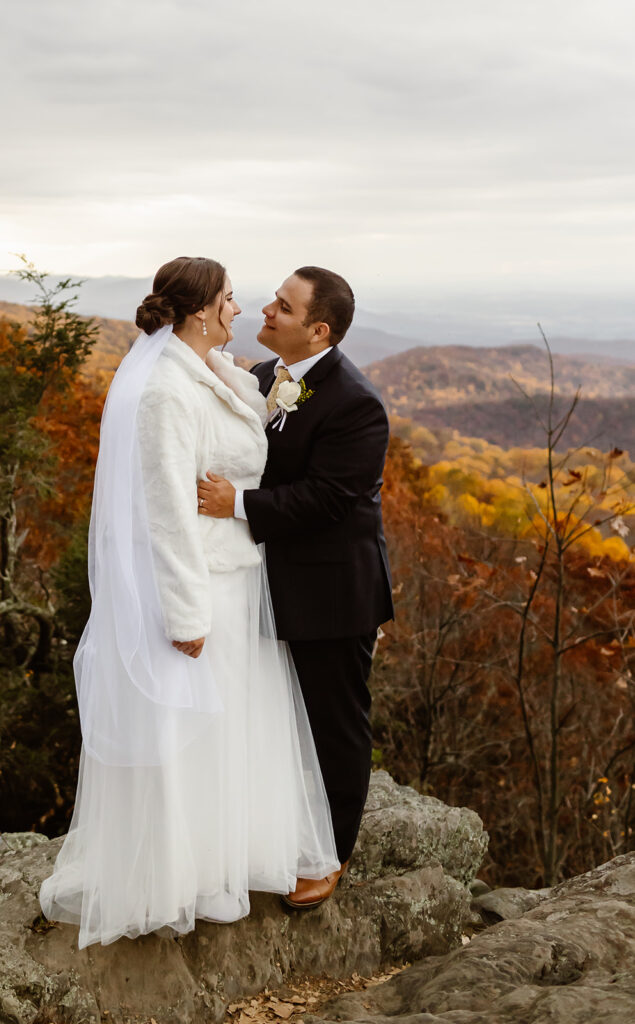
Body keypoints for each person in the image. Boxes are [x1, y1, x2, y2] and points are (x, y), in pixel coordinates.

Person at [39, 257, 338, 947]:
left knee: (224, 731)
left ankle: (216, 858)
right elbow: (166, 513)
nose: (241, 309)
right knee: (190, 737)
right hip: (199, 588)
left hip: (235, 579)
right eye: (231, 299)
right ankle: (176, 877)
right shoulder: (165, 392)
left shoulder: (205, 369)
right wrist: (184, 616)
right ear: (200, 309)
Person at [197, 266, 393, 909]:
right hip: (267, 584)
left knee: (333, 725)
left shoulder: (356, 404)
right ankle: (276, 834)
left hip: (335, 594)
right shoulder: (260, 378)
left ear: (318, 329)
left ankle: (330, 855)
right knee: (279, 719)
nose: (266, 309)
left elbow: (328, 500)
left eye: (283, 306)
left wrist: (238, 505)